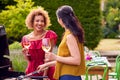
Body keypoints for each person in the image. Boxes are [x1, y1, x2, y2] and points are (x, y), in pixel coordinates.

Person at [37, 5, 86, 80]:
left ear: (60, 20)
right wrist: (47, 65)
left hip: (69, 76)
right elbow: (65, 60)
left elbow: (76, 60)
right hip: (70, 75)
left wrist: (55, 57)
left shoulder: (70, 36)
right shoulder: (72, 33)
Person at [21, 7, 57, 80]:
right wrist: (25, 55)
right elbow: (29, 60)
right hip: (32, 71)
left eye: (42, 21)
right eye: (37, 21)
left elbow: (48, 58)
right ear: (32, 22)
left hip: (47, 71)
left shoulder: (49, 35)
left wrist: (44, 76)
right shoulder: (25, 38)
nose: (40, 23)